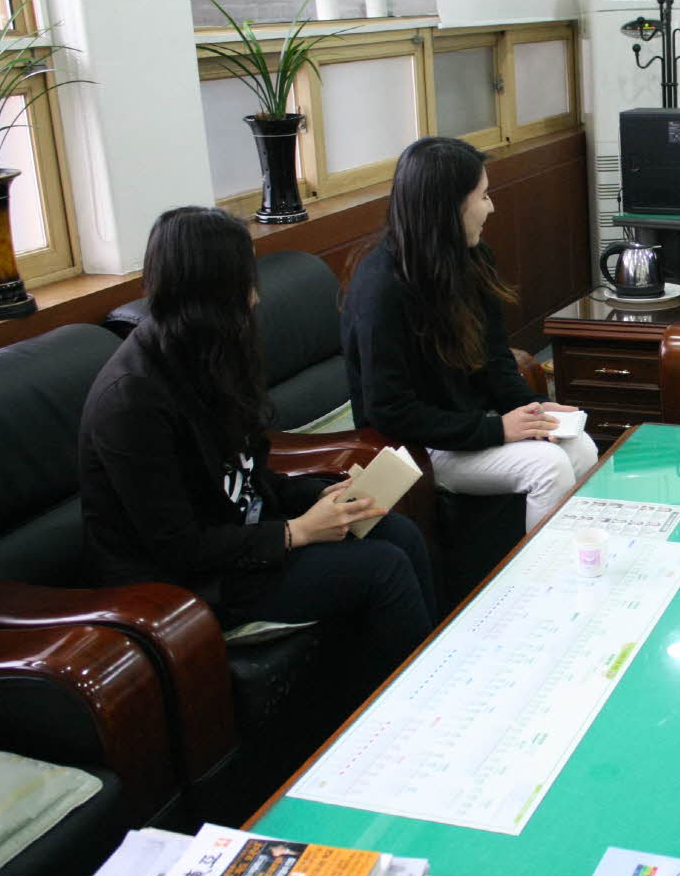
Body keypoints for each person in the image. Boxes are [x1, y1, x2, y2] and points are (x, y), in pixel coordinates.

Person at [80, 207, 436, 681]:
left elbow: (247, 475)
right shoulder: (130, 403)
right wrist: (296, 532)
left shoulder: (209, 353)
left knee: (397, 532)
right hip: (191, 582)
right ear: (208, 292)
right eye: (244, 282)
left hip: (243, 540)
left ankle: (430, 672)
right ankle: (419, 706)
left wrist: (316, 496)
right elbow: (177, 546)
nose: (255, 296)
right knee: (382, 568)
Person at [342, 136, 597, 532]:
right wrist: (497, 429)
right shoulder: (381, 287)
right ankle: (535, 586)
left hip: (471, 425)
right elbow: (390, 410)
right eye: (483, 196)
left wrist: (533, 409)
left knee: (579, 445)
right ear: (447, 208)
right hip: (421, 445)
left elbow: (496, 358)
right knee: (547, 467)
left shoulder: (472, 256)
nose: (491, 207)